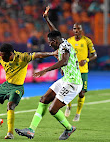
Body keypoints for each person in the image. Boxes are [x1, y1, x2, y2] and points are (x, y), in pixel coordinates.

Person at [15, 6, 83, 140]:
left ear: (54, 42)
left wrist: (45, 70)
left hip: (73, 83)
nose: (49, 45)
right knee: (44, 99)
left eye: (50, 43)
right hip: (66, 79)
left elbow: (63, 61)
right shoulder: (61, 40)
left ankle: (69, 129)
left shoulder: (65, 47)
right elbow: (54, 31)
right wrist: (46, 18)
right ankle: (31, 130)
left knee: (52, 110)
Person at [0, 43, 58, 139]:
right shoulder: (1, 57)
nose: (1, 57)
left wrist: (52, 53)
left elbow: (38, 54)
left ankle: (10, 133)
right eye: (0, 55)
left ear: (10, 54)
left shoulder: (22, 57)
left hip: (17, 87)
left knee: (10, 105)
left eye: (3, 55)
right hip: (6, 85)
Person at [64, 23, 97, 121]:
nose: (76, 30)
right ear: (73, 30)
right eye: (74, 28)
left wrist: (86, 60)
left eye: (78, 29)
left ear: (81, 30)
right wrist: (63, 67)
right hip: (71, 70)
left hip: (83, 71)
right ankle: (69, 106)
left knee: (82, 93)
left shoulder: (87, 41)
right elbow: (65, 54)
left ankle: (78, 113)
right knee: (68, 90)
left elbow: (94, 55)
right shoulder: (69, 41)